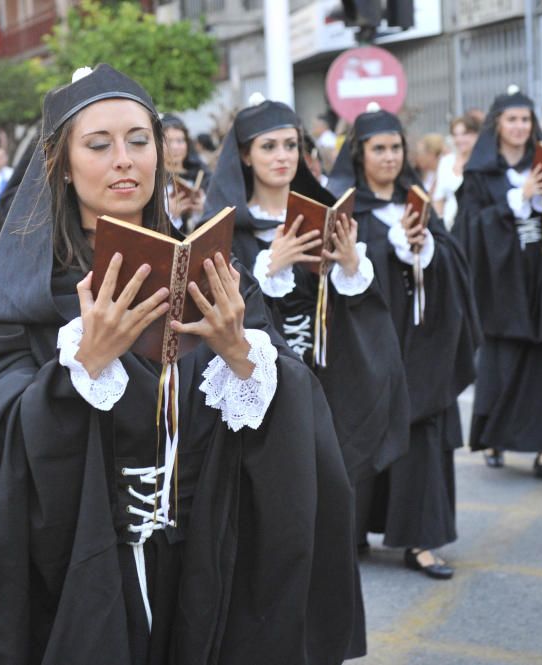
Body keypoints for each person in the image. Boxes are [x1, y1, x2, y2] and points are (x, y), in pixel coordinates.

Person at [0, 64, 360, 665]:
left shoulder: (211, 266)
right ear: (63, 164)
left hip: (206, 548)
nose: (123, 160)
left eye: (138, 140)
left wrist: (241, 355)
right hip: (89, 561)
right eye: (98, 145)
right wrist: (80, 369)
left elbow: (296, 408)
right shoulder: (29, 288)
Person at [203, 94, 409, 656]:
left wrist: (346, 266)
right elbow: (220, 319)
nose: (282, 155)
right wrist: (268, 269)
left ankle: (321, 644)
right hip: (259, 408)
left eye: (291, 144)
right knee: (269, 525)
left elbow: (359, 317)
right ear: (244, 155)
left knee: (328, 513)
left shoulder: (322, 218)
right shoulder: (227, 229)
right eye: (268, 146)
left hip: (324, 394)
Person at [327, 103, 480, 580]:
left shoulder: (418, 201)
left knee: (422, 432)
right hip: (367, 345)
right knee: (363, 425)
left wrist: (426, 248)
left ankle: (422, 539)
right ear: (360, 154)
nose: (390, 157)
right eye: (379, 149)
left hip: (421, 344)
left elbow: (451, 260)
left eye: (396, 148)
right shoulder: (347, 209)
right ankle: (353, 531)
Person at [453, 85, 542, 484]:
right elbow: (469, 230)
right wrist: (517, 200)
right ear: (497, 125)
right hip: (501, 284)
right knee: (504, 364)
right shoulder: (479, 173)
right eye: (511, 119)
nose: (519, 126)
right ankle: (495, 438)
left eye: (525, 120)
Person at [434, 114, 481, 229]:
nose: (459, 139)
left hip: (476, 227)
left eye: (465, 134)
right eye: (455, 135)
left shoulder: (483, 162)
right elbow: (438, 199)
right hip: (450, 227)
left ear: (476, 135)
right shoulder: (446, 162)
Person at [161, 113, 207, 232]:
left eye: (180, 140)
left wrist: (204, 208)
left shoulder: (202, 175)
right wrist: (166, 212)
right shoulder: (152, 177)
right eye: (168, 141)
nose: (175, 147)